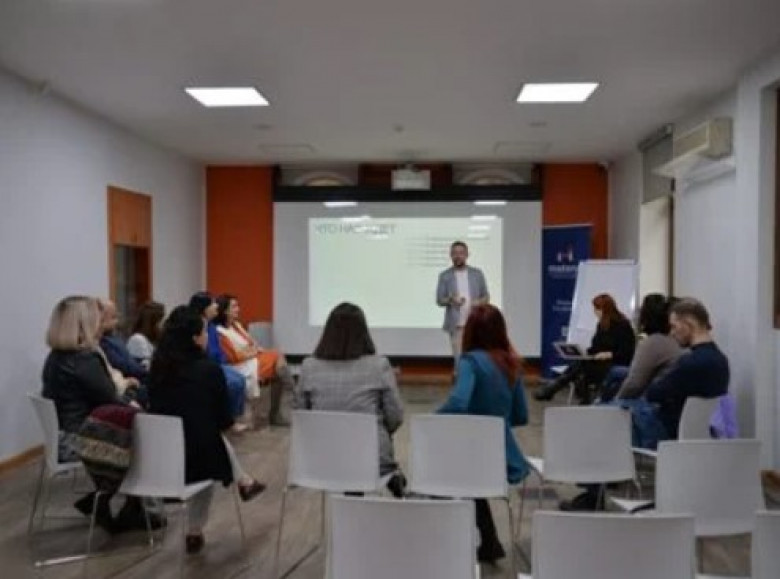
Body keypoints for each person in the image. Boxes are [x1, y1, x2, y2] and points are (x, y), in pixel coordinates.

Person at [148, 306, 265, 554]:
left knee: (206, 439)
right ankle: (195, 529)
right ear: (194, 338)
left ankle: (245, 481)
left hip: (157, 458)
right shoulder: (209, 370)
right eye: (204, 333)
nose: (207, 337)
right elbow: (223, 421)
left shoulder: (157, 369)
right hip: (196, 458)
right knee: (210, 448)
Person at [41, 296, 157, 533]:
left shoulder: (56, 357)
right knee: (146, 437)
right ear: (85, 323)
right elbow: (112, 400)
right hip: (80, 440)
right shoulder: (84, 359)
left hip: (63, 437)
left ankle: (104, 499)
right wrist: (134, 394)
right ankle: (124, 505)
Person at [437, 304, 529, 564]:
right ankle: (489, 542)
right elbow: (521, 416)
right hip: (500, 458)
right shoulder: (511, 363)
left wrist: (432, 419)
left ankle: (447, 540)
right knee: (468, 480)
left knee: (441, 474)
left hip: (470, 454)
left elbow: (458, 402)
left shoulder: (470, 362)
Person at [295, 303, 406, 497]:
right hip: (371, 460)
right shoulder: (379, 366)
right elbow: (395, 417)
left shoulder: (309, 367)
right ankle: (391, 475)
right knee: (380, 442)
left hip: (320, 461)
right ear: (363, 332)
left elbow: (301, 417)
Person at [644, 298, 730, 439]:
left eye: (674, 326)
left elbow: (653, 394)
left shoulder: (690, 364)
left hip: (673, 432)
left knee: (626, 409)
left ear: (688, 324)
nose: (671, 333)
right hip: (705, 435)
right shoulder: (721, 361)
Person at [535, 293, 636, 404]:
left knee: (582, 366)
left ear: (605, 310)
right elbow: (596, 347)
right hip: (600, 362)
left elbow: (627, 352)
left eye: (597, 309)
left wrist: (610, 354)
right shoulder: (602, 325)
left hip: (616, 363)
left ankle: (553, 388)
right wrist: (583, 353)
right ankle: (575, 396)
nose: (595, 312)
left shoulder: (623, 326)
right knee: (582, 363)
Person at [215, 294, 296, 427]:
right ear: (225, 311)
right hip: (241, 366)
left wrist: (252, 350)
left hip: (252, 359)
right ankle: (292, 393)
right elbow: (234, 356)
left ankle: (282, 404)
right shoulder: (220, 332)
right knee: (277, 358)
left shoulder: (236, 325)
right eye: (234, 306)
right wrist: (252, 351)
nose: (238, 309)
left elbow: (253, 343)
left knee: (278, 365)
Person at [189, 292, 250, 432]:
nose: (216, 306)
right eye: (212, 303)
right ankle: (227, 421)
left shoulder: (210, 325)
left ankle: (233, 417)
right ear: (204, 308)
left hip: (218, 363)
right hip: (205, 364)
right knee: (233, 383)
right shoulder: (196, 325)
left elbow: (217, 351)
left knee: (239, 379)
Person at [610, 294, 683, 401]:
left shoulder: (653, 343)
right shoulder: (676, 341)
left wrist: (616, 402)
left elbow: (634, 385)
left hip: (654, 402)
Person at [436, 240, 489, 369]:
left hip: (475, 324)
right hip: (456, 326)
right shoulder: (445, 275)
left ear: (467, 255)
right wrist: (451, 299)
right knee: (459, 361)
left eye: (461, 253)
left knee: (476, 359)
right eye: (455, 253)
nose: (458, 256)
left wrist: (478, 302)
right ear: (450, 255)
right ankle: (460, 380)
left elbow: (486, 296)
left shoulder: (477, 273)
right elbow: (439, 300)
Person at [127, 301, 165, 370]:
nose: (162, 325)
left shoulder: (152, 339)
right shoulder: (138, 340)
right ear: (152, 323)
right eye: (160, 321)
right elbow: (147, 368)